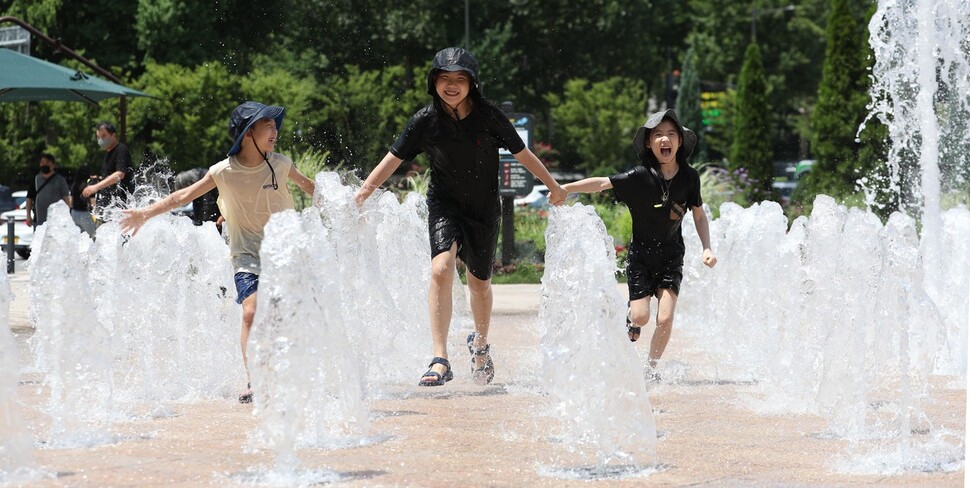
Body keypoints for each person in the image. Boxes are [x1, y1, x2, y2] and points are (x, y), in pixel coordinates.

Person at [354, 47, 567, 387]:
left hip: (483, 209)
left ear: (472, 84)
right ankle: (440, 358)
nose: (451, 86)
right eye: (444, 79)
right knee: (440, 269)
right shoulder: (425, 121)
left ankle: (480, 345)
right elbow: (393, 158)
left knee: (479, 285)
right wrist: (362, 194)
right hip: (444, 204)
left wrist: (554, 187)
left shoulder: (489, 116)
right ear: (434, 82)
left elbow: (523, 153)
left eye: (459, 79)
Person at [119, 101, 316, 403]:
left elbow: (310, 187)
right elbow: (182, 196)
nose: (275, 129)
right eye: (268, 124)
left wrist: (349, 204)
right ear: (249, 133)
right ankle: (255, 381)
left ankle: (286, 371)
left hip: (283, 252)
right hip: (246, 253)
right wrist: (144, 214)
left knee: (280, 315)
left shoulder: (280, 163)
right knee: (250, 312)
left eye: (275, 125)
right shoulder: (223, 171)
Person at [563, 109, 717, 375]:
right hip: (641, 258)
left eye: (671, 134)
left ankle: (651, 368)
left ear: (680, 141)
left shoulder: (690, 178)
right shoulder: (639, 176)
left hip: (671, 257)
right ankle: (631, 316)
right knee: (641, 317)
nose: (664, 139)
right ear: (649, 143)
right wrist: (563, 189)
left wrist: (707, 247)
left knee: (665, 318)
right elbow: (602, 183)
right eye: (658, 135)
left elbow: (699, 215)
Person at [82, 122, 134, 213]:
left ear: (113, 135)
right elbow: (111, 177)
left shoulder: (121, 150)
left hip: (120, 209)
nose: (100, 139)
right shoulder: (108, 154)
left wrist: (96, 187)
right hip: (108, 209)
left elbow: (120, 174)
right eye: (98, 137)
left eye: (104, 136)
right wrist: (99, 179)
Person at [24, 153, 71, 228]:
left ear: (53, 165)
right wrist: (28, 216)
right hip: (39, 221)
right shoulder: (35, 179)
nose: (44, 165)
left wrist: (68, 216)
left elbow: (66, 198)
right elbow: (29, 198)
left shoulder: (60, 180)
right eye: (42, 163)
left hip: (56, 221)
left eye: (47, 163)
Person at [69, 169, 99, 237]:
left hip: (74, 213)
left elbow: (71, 202)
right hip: (84, 213)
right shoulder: (87, 187)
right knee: (93, 236)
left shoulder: (74, 185)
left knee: (78, 236)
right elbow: (93, 203)